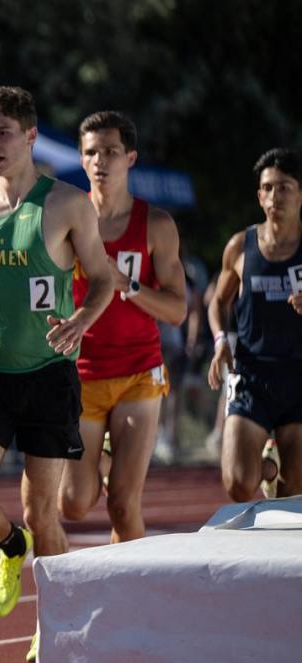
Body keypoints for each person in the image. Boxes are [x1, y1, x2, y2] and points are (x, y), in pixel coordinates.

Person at [0, 86, 111, 663]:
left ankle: (53, 623)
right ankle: (11, 549)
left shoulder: (64, 204)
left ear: (30, 135)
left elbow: (105, 278)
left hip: (47, 374)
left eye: (3, 133)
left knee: (44, 513)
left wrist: (83, 319)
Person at [57, 111, 187, 544]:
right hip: (82, 376)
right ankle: (105, 457)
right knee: (73, 505)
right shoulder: (67, 223)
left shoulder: (155, 225)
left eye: (110, 151)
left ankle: (132, 599)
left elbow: (176, 310)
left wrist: (127, 285)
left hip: (138, 374)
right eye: (91, 152)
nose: (100, 161)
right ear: (80, 159)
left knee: (122, 505)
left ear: (130, 157)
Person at [207, 147, 302, 501]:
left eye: (285, 187)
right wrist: (220, 341)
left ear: (300, 194)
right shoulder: (240, 246)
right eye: (268, 188)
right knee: (237, 483)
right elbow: (217, 301)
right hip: (252, 374)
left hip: (298, 374)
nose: (275, 196)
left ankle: (278, 469)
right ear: (259, 195)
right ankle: (266, 467)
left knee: (295, 490)